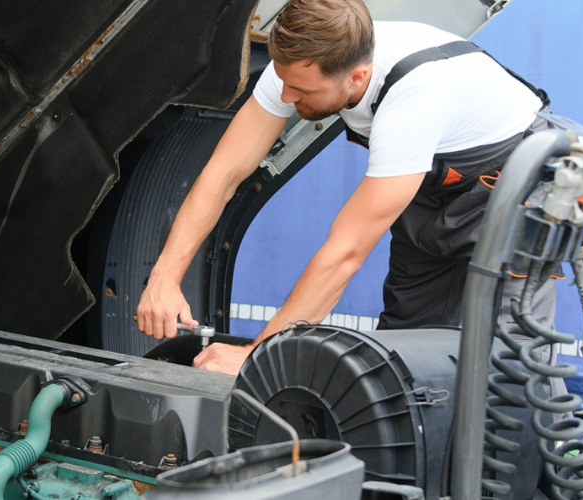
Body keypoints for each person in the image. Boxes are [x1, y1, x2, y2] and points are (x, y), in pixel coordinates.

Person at [135, 0, 555, 375]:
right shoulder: (303, 67)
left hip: (514, 189)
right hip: (433, 191)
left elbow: (345, 253)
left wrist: (256, 358)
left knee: (514, 367)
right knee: (405, 356)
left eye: (301, 91)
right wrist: (165, 278)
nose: (285, 95)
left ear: (357, 77)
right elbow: (223, 174)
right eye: (285, 82)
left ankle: (549, 461)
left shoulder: (415, 99)